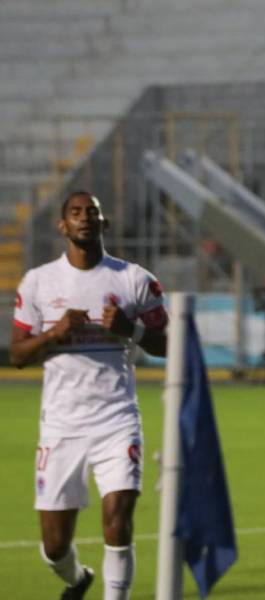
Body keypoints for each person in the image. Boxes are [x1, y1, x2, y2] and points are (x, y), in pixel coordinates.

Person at [10, 191, 168, 600]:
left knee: (118, 518)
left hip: (117, 419)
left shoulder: (134, 280)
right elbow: (17, 355)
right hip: (61, 426)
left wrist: (130, 331)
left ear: (104, 224)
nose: (84, 218)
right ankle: (78, 579)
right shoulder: (38, 282)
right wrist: (53, 334)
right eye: (76, 213)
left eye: (92, 212)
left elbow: (170, 343)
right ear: (62, 226)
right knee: (54, 545)